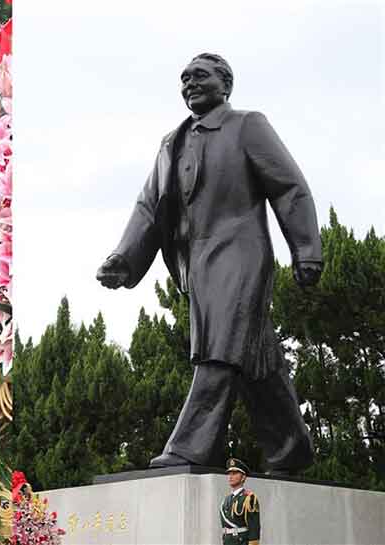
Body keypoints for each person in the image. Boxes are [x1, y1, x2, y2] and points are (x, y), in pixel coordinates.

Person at [96, 53, 322, 473]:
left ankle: (191, 446)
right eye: (183, 79)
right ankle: (291, 446)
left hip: (241, 251)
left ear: (226, 84)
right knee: (255, 357)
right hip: (195, 264)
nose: (189, 85)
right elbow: (150, 207)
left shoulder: (247, 125)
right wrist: (123, 259)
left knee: (219, 347)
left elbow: (289, 187)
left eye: (199, 76)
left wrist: (306, 250)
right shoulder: (170, 142)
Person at [221, 458, 260, 545]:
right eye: (229, 474)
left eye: (234, 473)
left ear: (243, 477)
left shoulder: (249, 499)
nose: (230, 476)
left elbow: (254, 528)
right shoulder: (226, 500)